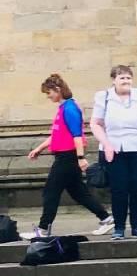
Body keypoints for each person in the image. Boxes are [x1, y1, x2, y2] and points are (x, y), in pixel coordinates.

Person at [25, 74, 113, 239]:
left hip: (67, 157)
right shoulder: (63, 108)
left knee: (51, 192)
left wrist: (80, 157)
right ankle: (106, 218)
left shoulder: (70, 108)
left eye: (49, 92)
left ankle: (43, 229)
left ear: (57, 90)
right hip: (66, 156)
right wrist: (39, 148)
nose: (48, 96)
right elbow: (57, 135)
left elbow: (77, 135)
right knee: (79, 192)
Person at [90, 65, 137, 239]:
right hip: (114, 149)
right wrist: (106, 144)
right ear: (114, 80)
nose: (126, 81)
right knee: (119, 188)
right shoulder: (103, 97)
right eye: (122, 78)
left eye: (128, 78)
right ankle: (119, 228)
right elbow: (95, 123)